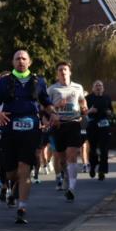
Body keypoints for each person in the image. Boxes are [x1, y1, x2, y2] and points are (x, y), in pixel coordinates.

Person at [0, 50, 55, 224]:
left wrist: (53, 113)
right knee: (12, 173)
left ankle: (22, 208)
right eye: (17, 58)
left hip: (30, 132)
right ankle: (13, 186)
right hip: (9, 131)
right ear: (12, 62)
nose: (20, 61)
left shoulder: (39, 81)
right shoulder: (4, 82)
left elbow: (46, 102)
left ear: (30, 62)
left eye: (24, 58)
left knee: (24, 170)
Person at [46, 62, 88, 202]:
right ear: (57, 73)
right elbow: (44, 107)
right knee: (61, 158)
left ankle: (71, 188)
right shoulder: (52, 89)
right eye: (60, 70)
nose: (63, 72)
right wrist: (56, 107)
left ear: (70, 72)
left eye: (65, 69)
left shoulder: (78, 87)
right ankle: (64, 174)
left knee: (72, 154)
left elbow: (82, 101)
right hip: (59, 126)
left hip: (74, 124)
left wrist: (84, 109)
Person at [86, 79, 114, 180]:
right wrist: (90, 110)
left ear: (103, 88)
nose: (98, 87)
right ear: (93, 88)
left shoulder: (107, 98)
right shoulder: (88, 98)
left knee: (104, 149)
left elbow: (111, 110)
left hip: (104, 125)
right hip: (92, 125)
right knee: (93, 149)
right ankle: (93, 166)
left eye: (100, 86)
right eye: (96, 85)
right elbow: (83, 112)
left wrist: (109, 112)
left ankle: (102, 170)